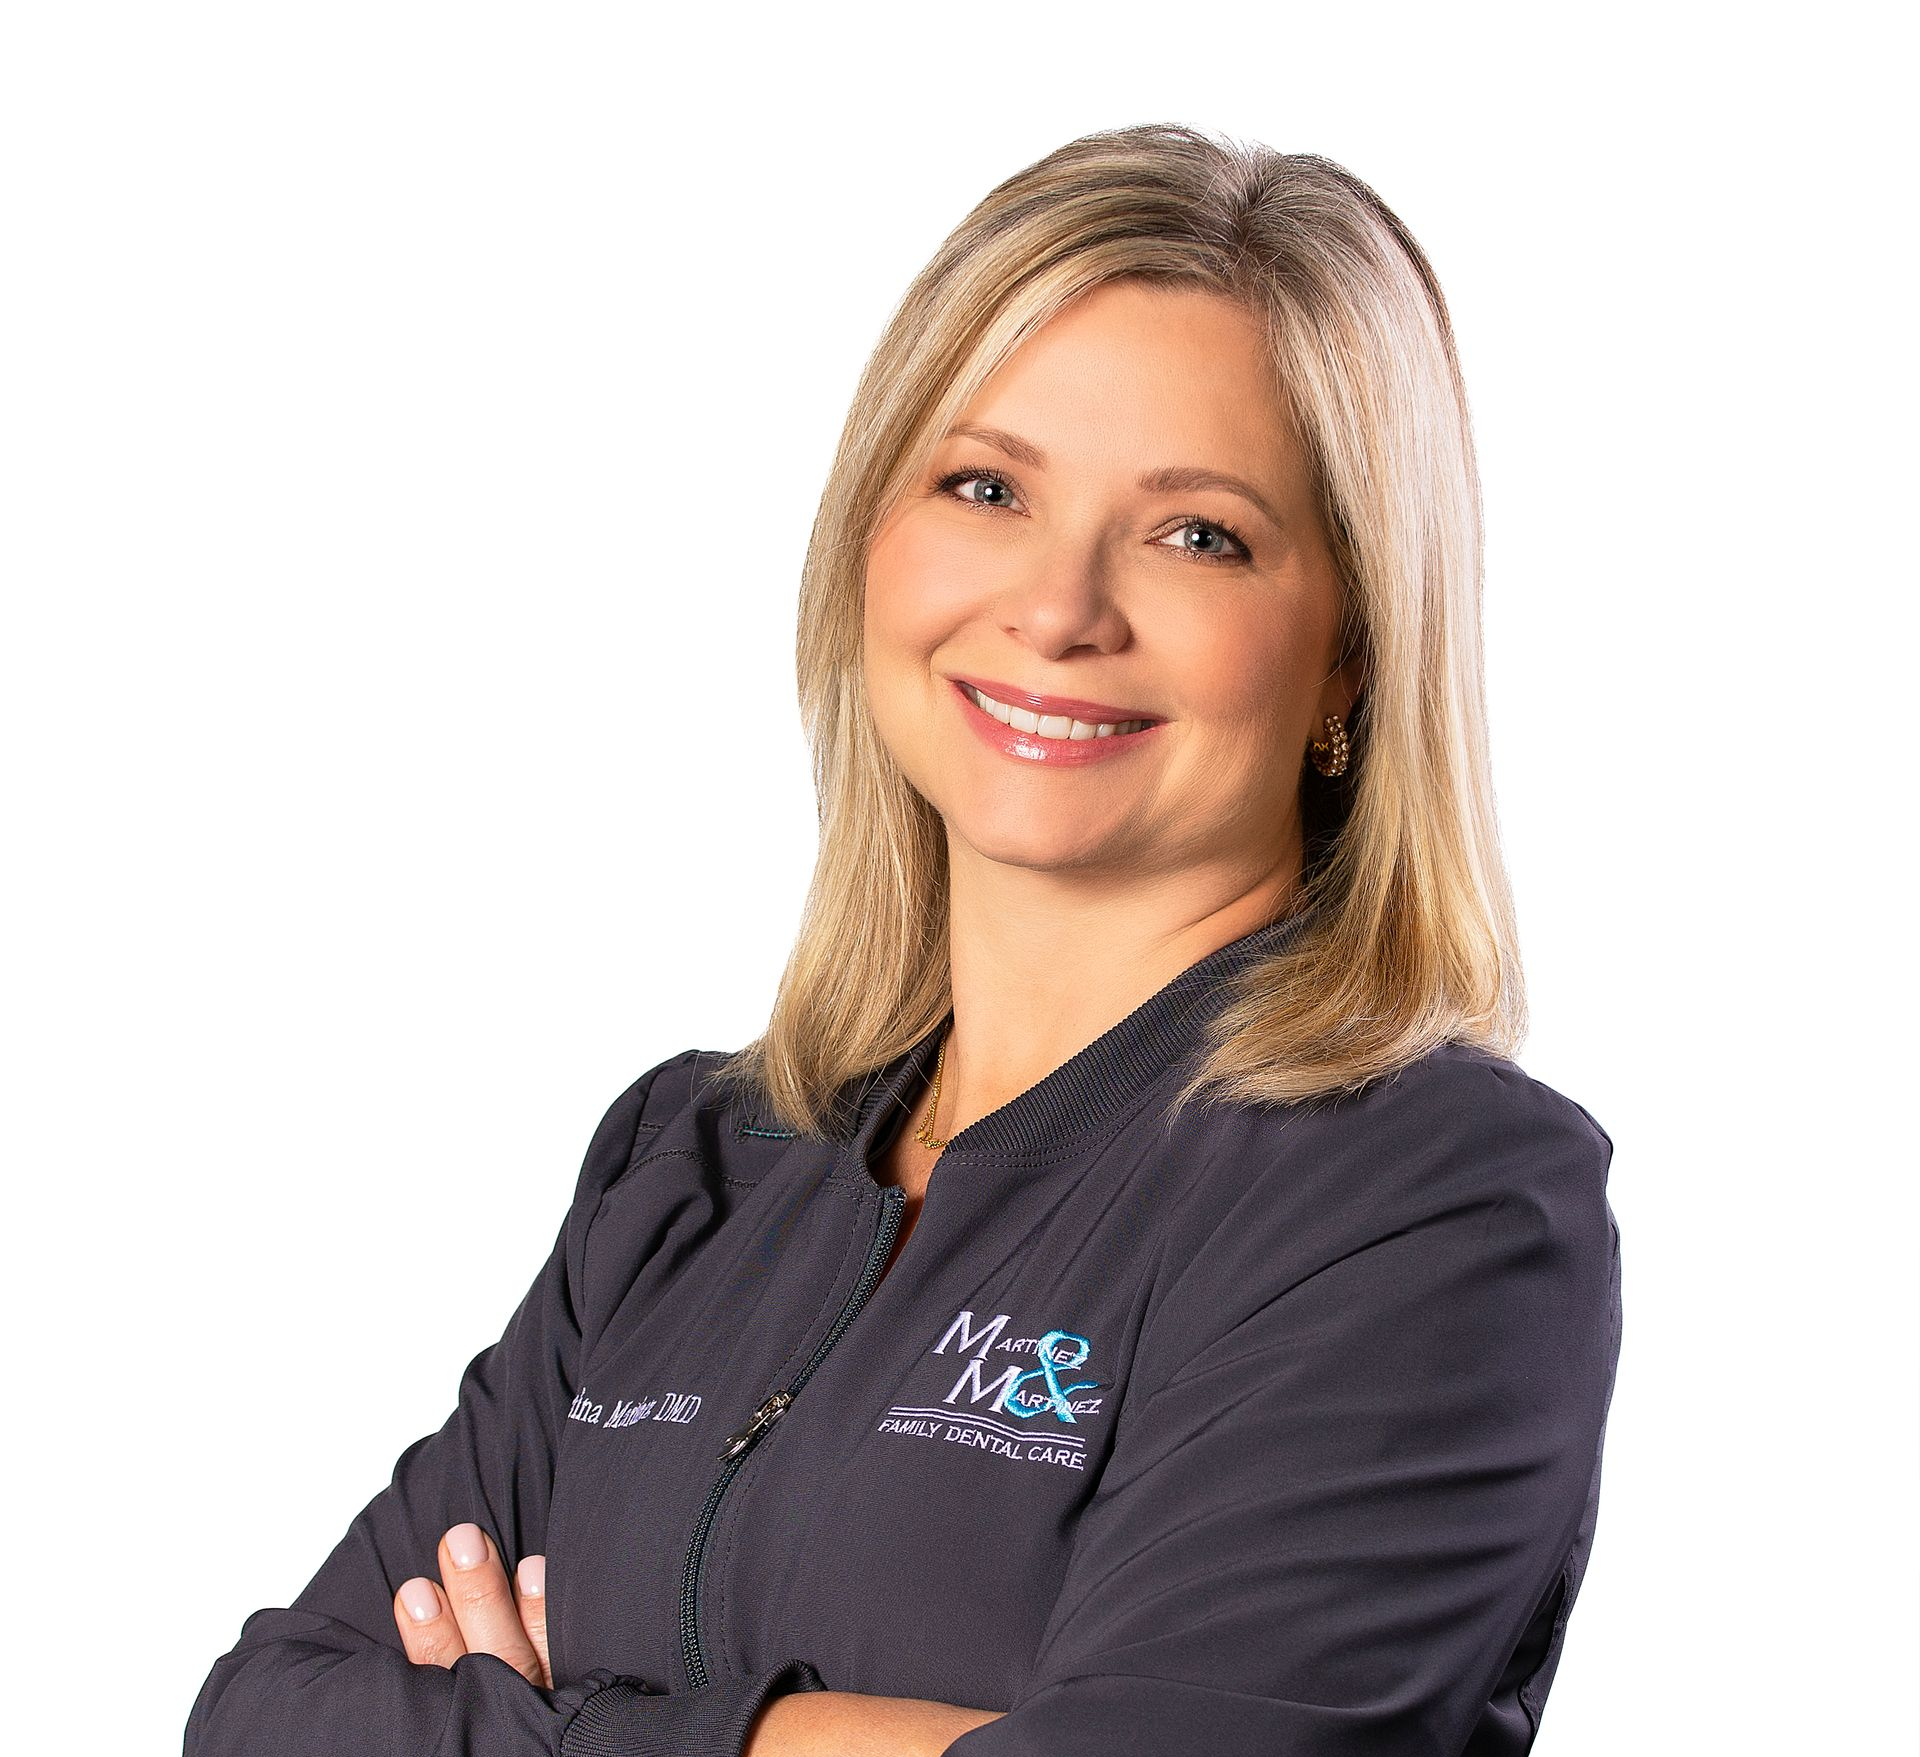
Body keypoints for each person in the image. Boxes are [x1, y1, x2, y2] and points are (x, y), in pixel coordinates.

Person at [184, 121, 1624, 1757]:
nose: (1059, 606)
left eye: (1197, 532)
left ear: (1355, 657)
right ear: (873, 537)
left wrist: (563, 1724)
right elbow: (264, 1719)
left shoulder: (1429, 1205)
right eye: (986, 487)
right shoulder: (697, 1162)